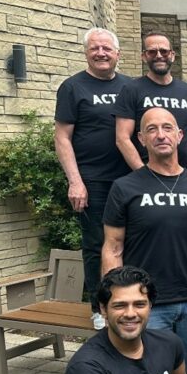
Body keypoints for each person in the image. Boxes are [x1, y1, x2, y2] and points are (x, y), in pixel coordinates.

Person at [102, 107, 187, 374]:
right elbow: (113, 248)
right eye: (151, 129)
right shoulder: (125, 187)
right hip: (146, 304)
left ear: (180, 136)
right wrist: (116, 301)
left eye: (167, 128)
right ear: (141, 139)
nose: (160, 135)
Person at [54, 27, 131, 330]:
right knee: (97, 244)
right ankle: (100, 307)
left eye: (106, 49)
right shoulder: (73, 87)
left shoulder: (130, 86)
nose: (101, 53)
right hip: (93, 182)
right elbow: (62, 137)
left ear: (117, 54)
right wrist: (75, 180)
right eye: (95, 48)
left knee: (132, 242)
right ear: (86, 53)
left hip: (129, 180)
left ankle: (131, 302)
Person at [114, 32, 187, 173]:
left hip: (185, 175)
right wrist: (143, 173)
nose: (159, 55)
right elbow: (122, 138)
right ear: (144, 56)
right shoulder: (131, 90)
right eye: (152, 52)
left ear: (172, 55)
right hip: (146, 176)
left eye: (164, 51)